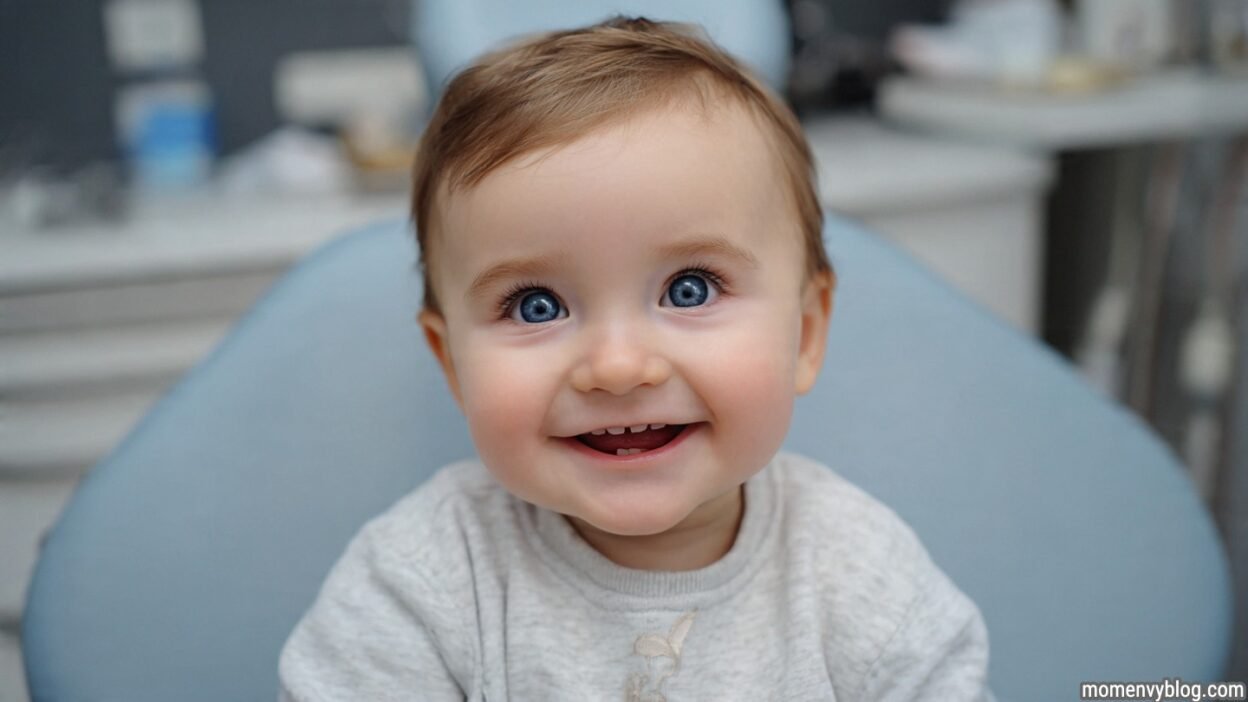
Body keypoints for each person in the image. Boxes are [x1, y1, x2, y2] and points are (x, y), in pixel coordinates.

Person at [279, 17, 994, 701]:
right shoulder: (417, 583)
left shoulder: (864, 577)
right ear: (452, 363)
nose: (618, 367)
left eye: (689, 290)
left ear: (804, 332)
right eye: (536, 306)